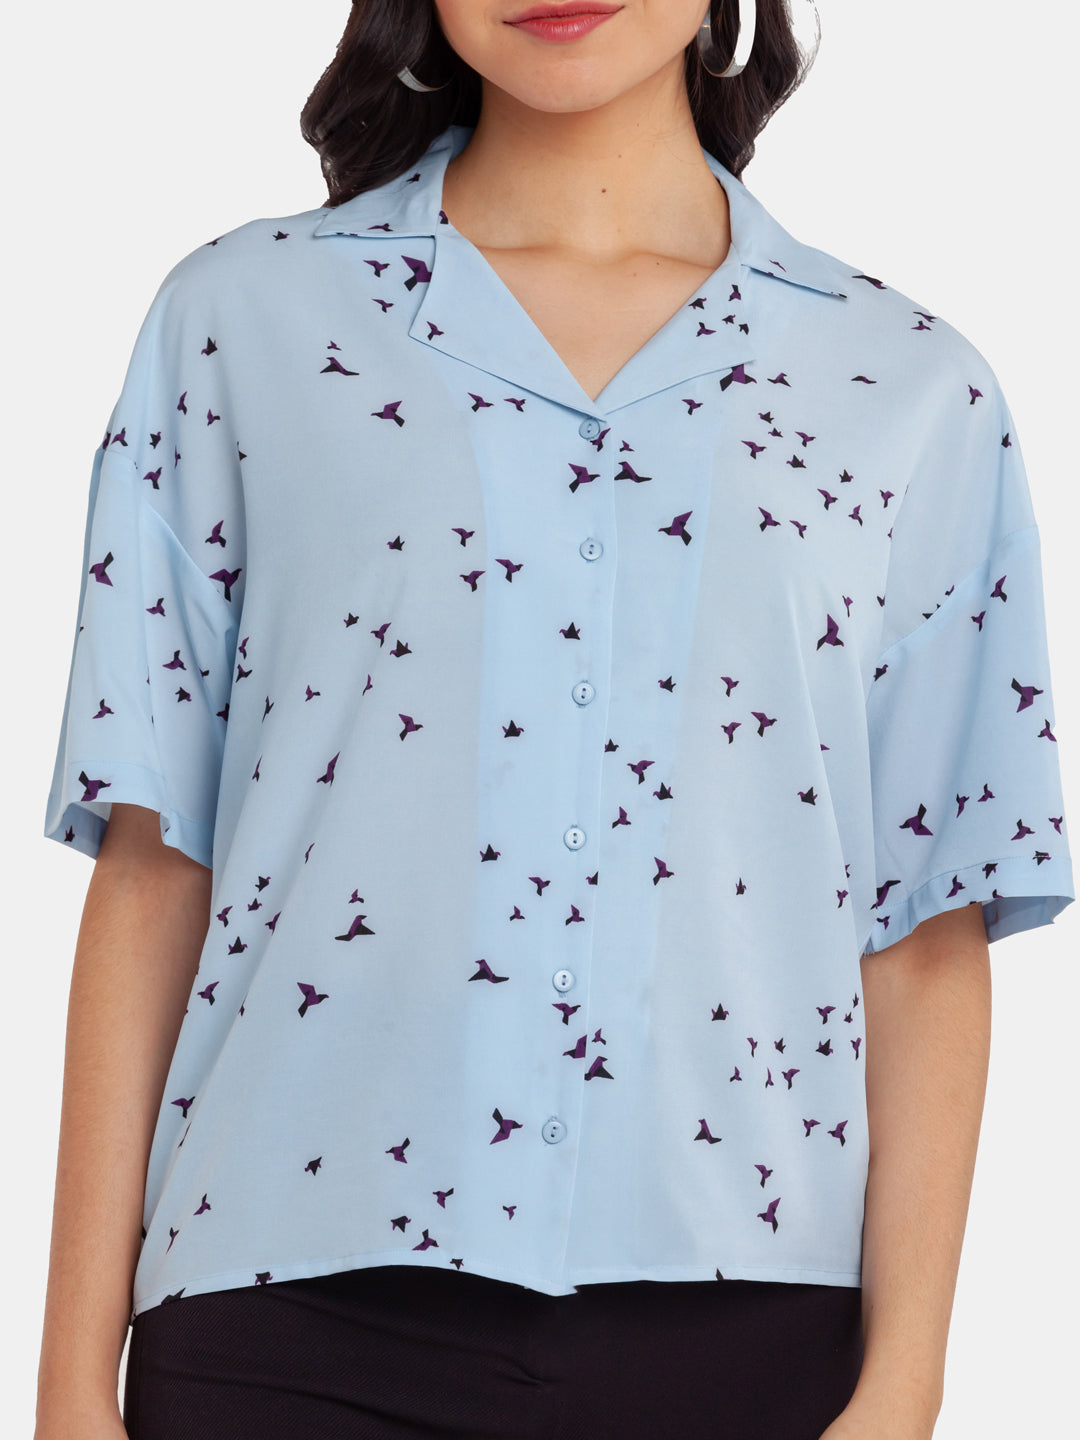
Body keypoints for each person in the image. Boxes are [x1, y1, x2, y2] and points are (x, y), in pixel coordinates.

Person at [33, 3, 1074, 1439]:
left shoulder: (908, 389)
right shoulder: (242, 324)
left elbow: (924, 932)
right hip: (287, 1317)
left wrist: (902, 1391)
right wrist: (68, 1387)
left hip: (751, 1331)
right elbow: (159, 865)